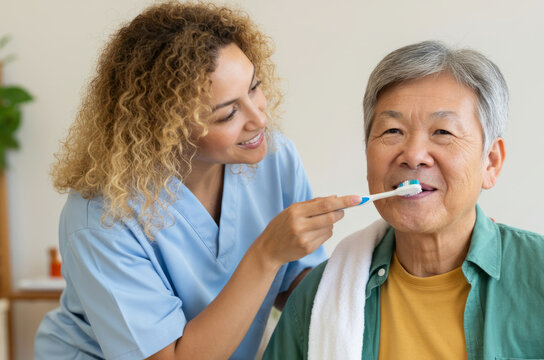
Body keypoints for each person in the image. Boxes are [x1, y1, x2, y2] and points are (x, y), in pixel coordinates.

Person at [264, 40, 544, 359]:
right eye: (392, 131)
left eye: (443, 133)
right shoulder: (321, 298)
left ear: (491, 162)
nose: (413, 154)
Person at [34, 2, 359, 359]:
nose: (259, 119)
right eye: (228, 113)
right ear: (165, 127)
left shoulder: (274, 159)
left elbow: (295, 288)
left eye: (254, 88)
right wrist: (265, 254)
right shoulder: (101, 217)